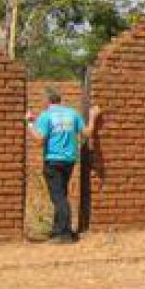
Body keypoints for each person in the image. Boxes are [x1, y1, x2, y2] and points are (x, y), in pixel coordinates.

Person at [26, 88, 100, 244]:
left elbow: (39, 140)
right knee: (61, 194)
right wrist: (93, 117)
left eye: (43, 102)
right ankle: (58, 230)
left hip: (53, 160)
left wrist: (30, 124)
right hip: (69, 161)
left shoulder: (46, 116)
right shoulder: (72, 114)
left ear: (47, 101)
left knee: (58, 197)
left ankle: (64, 234)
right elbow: (86, 133)